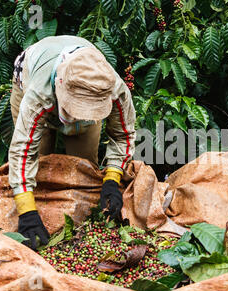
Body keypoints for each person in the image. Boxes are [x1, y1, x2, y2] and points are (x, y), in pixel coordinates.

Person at [9, 35, 136, 250]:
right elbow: (23, 151)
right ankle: (37, 223)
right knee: (40, 168)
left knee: (84, 171)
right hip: (30, 77)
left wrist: (112, 179)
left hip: (81, 91)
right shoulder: (39, 93)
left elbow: (122, 135)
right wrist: (26, 211)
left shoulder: (111, 88)